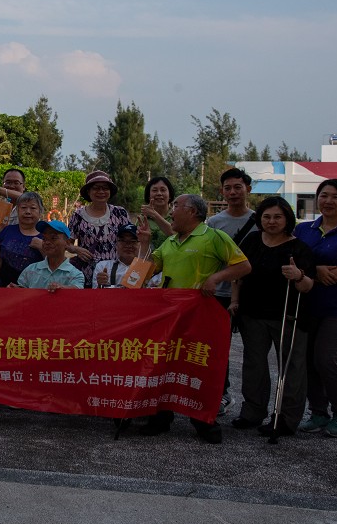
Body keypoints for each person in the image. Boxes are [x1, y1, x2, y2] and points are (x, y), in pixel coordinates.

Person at [136, 194, 251, 443]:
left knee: (199, 367)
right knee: (164, 366)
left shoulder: (214, 237)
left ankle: (203, 420)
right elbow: (139, 276)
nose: (170, 212)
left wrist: (216, 278)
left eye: (175, 206)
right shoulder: (169, 242)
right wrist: (144, 244)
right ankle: (160, 418)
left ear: (192, 212)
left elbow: (243, 266)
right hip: (168, 317)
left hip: (199, 317)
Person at [230, 196, 317, 437]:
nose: (271, 221)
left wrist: (298, 275)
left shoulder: (299, 248)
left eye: (278, 216)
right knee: (254, 364)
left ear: (287, 219)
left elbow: (308, 285)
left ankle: (286, 417)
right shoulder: (252, 241)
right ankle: (252, 411)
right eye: (266, 216)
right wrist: (235, 300)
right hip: (252, 314)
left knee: (291, 368)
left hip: (288, 315)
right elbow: (238, 274)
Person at [293, 179, 337, 439]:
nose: (328, 201)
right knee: (308, 361)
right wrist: (320, 268)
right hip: (308, 305)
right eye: (324, 196)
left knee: (328, 360)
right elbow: (293, 261)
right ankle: (318, 412)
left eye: (335, 197)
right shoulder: (303, 230)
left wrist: (311, 270)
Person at [206, 167, 257, 417]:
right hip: (219, 293)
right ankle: (221, 394)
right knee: (217, 348)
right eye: (228, 188)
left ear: (248, 188)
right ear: (222, 192)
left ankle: (254, 405)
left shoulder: (262, 220)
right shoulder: (215, 223)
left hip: (252, 295)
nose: (233, 192)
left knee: (254, 351)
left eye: (238, 187)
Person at [67, 170, 132, 288]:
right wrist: (77, 250)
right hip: (86, 272)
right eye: (96, 188)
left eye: (105, 188)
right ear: (89, 191)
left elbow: (131, 240)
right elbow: (67, 244)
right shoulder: (78, 216)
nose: (101, 192)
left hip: (113, 273)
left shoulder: (120, 213)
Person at [0, 191, 44, 287]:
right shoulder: (7, 231)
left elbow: (55, 264)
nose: (28, 211)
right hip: (4, 287)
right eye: (23, 208)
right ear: (17, 210)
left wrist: (42, 248)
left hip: (34, 289)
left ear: (40, 211)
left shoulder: (46, 237)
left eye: (33, 208)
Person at [13, 220, 86, 291]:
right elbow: (20, 294)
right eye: (44, 238)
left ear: (67, 243)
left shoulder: (75, 275)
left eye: (53, 238)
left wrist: (63, 289)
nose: (47, 242)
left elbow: (77, 292)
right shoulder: (30, 270)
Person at [93, 223, 162, 288]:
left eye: (133, 241)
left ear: (141, 244)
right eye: (123, 241)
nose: (128, 245)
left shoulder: (149, 267)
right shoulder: (103, 266)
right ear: (116, 244)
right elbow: (94, 296)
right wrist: (100, 285)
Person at [140, 176, 175, 252]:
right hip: (149, 262)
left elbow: (177, 236)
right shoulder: (142, 218)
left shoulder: (177, 216)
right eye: (155, 190)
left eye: (163, 190)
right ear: (149, 196)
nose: (159, 193)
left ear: (170, 195)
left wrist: (154, 215)